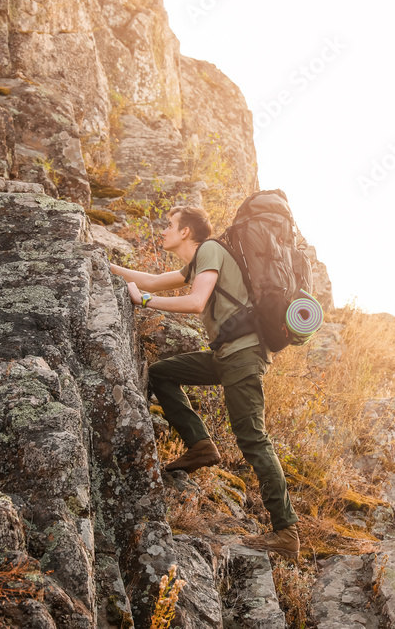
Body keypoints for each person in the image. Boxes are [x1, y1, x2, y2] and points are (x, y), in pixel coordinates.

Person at [109, 205, 300, 558]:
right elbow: (150, 280)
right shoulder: (197, 263)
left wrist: (146, 302)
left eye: (169, 224)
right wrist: (101, 265)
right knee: (162, 374)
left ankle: (286, 532)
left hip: (242, 356)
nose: (163, 230)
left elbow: (197, 302)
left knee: (253, 440)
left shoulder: (210, 250)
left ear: (186, 232)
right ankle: (200, 445)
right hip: (225, 356)